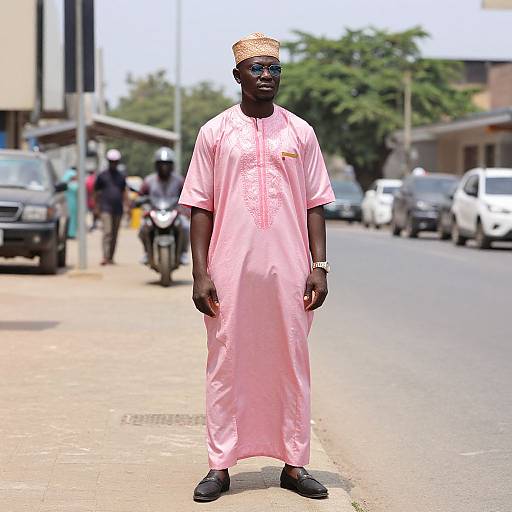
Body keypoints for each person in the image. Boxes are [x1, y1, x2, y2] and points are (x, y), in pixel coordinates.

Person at [178, 33, 335, 502]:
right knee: (226, 363)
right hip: (229, 272)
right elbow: (200, 207)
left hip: (289, 272)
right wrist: (200, 272)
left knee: (292, 361)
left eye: (274, 69)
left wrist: (319, 265)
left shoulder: (300, 132)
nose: (267, 76)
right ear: (237, 76)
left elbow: (315, 205)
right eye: (257, 69)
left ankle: (294, 463)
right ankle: (220, 465)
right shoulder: (215, 132)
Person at [138, 146, 190, 265]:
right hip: (154, 212)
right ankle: (147, 252)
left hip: (174, 212)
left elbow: (186, 194)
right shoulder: (149, 180)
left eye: (167, 164)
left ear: (172, 165)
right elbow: (141, 194)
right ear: (156, 165)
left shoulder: (178, 180)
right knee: (143, 227)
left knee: (186, 226)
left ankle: (182, 253)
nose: (164, 167)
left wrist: (185, 207)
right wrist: (140, 200)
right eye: (161, 164)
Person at [94, 149, 127, 265]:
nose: (114, 164)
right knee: (107, 232)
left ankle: (111, 257)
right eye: (112, 162)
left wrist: (127, 207)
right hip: (105, 208)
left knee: (115, 233)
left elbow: (124, 192)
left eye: (115, 162)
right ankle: (105, 256)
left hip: (118, 209)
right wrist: (96, 207)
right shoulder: (102, 176)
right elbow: (96, 192)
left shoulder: (121, 177)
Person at [62, 167, 78, 239]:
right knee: (70, 219)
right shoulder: (71, 184)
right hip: (70, 202)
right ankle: (70, 233)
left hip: (72, 202)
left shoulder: (71, 183)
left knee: (72, 219)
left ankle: (70, 233)